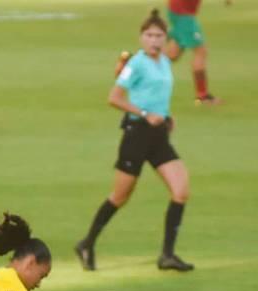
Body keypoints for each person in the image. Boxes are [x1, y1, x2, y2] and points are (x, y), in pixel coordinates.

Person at [76, 9, 195, 273]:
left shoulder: (163, 61)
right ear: (141, 38)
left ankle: (167, 255)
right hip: (137, 135)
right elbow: (114, 97)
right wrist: (144, 113)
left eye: (159, 35)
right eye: (149, 35)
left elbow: (157, 93)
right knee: (120, 196)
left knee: (181, 190)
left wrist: (166, 115)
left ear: (165, 38)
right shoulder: (136, 64)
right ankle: (87, 243)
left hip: (159, 135)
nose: (154, 40)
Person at [164, 0, 226, 105]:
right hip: (183, 14)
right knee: (200, 51)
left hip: (178, 11)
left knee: (173, 54)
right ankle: (203, 96)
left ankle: (135, 67)